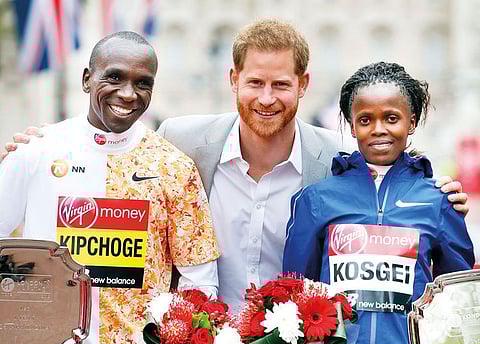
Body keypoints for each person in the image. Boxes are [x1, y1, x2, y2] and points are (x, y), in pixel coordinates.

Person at [0, 20, 469, 312]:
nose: (267, 99)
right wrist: (35, 149)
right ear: (233, 80)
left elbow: (391, 183)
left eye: (281, 84)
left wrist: (438, 189)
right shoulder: (180, 143)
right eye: (255, 83)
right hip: (197, 341)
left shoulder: (334, 161)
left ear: (303, 84)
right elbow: (113, 164)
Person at [0, 31, 219, 344]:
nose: (128, 93)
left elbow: (200, 282)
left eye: (143, 83)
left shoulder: (175, 168)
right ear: (87, 79)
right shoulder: (35, 151)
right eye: (114, 77)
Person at [283, 61, 474, 344]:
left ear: (411, 122)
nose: (378, 129)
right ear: (350, 123)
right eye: (365, 120)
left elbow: (459, 298)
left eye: (391, 118)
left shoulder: (438, 201)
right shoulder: (316, 200)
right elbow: (293, 293)